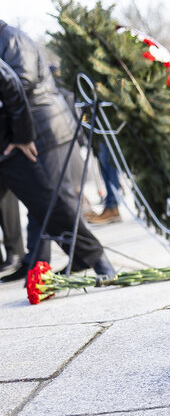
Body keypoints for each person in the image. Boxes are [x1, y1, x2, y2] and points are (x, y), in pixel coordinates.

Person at [0, 20, 115, 280]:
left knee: (50, 200)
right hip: (20, 132)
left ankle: (90, 257)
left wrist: (20, 135)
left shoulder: (12, 38)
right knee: (43, 201)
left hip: (41, 130)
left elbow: (19, 85)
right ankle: (37, 264)